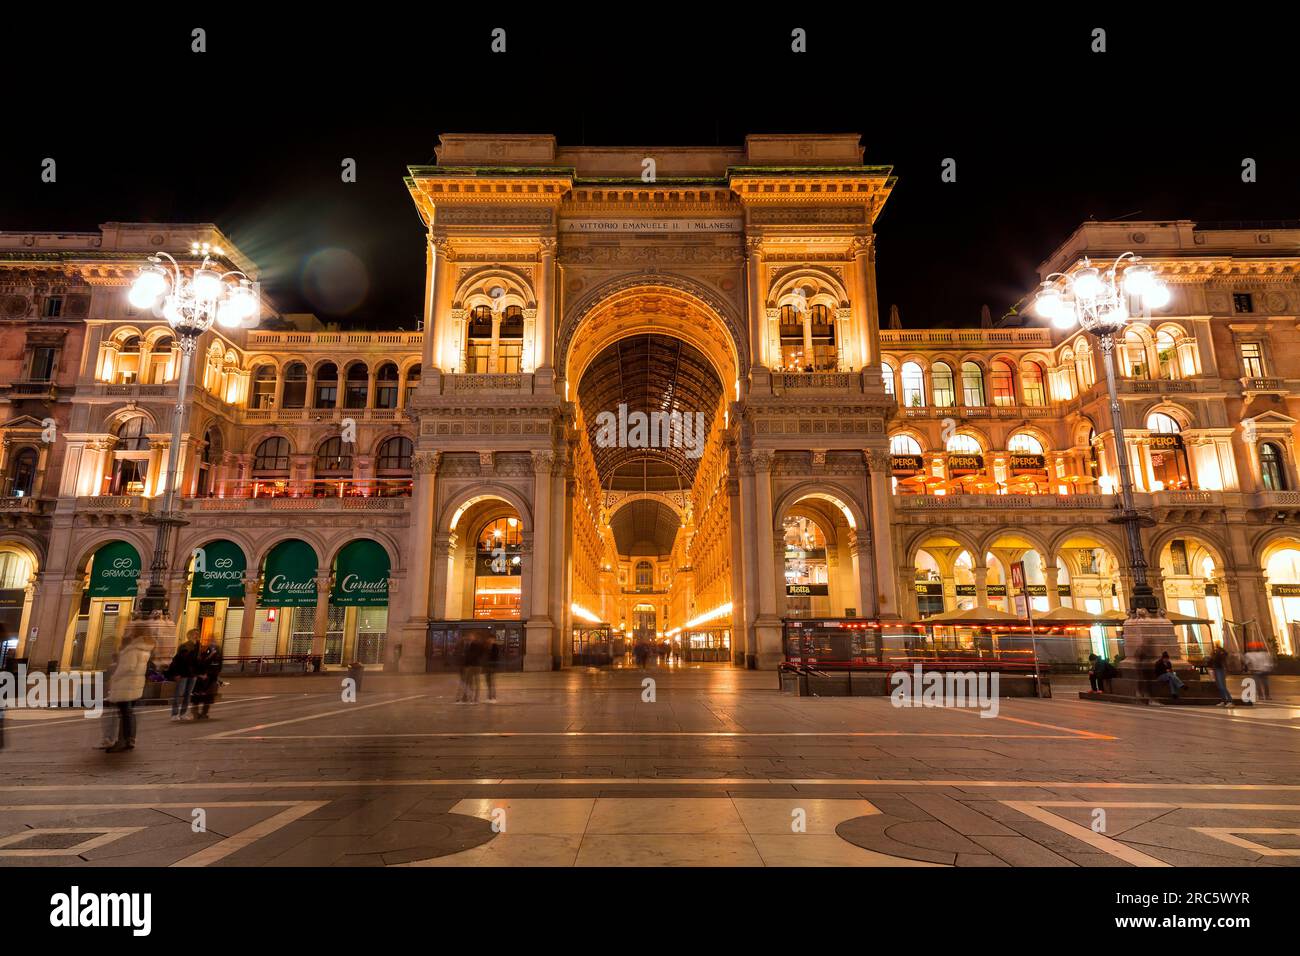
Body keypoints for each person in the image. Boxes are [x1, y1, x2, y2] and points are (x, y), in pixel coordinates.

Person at [105, 625, 156, 752]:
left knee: (125, 714)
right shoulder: (144, 649)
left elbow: (128, 667)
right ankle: (130, 739)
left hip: (125, 685)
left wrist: (115, 677)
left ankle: (123, 741)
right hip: (135, 685)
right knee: (129, 713)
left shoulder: (133, 649)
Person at [166, 629, 200, 721]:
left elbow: (197, 662)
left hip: (192, 675)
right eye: (194, 634)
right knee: (178, 694)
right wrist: (176, 673)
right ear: (189, 636)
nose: (196, 636)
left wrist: (198, 673)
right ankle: (174, 714)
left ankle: (183, 713)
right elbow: (177, 661)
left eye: (197, 634)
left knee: (188, 694)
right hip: (183, 674)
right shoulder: (184, 646)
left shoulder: (197, 647)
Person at [189, 633, 224, 719]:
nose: (212, 640)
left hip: (211, 676)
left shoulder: (218, 649)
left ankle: (204, 713)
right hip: (202, 677)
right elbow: (200, 663)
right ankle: (195, 713)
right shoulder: (203, 649)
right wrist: (200, 674)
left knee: (209, 696)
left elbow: (219, 662)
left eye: (213, 639)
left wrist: (217, 673)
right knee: (197, 697)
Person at [456, 631, 483, 703]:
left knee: (474, 682)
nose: (469, 638)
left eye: (471, 636)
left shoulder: (476, 645)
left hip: (475, 665)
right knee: (468, 682)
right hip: (467, 666)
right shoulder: (465, 645)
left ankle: (474, 698)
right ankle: (466, 697)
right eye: (469, 637)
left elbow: (475, 655)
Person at [1209, 642, 1235, 707]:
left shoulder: (1220, 653)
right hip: (1216, 670)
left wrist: (1215, 653)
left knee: (1222, 686)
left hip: (1220, 670)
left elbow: (1220, 661)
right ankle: (1224, 701)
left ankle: (1230, 701)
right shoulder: (1217, 653)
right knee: (1219, 687)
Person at [482, 632, 499, 703]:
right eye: (489, 639)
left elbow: (495, 657)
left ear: (493, 639)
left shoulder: (495, 647)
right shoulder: (486, 646)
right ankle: (489, 697)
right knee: (488, 683)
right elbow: (484, 656)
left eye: (491, 639)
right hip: (486, 666)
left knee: (492, 683)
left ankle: (494, 697)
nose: (489, 640)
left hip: (492, 666)